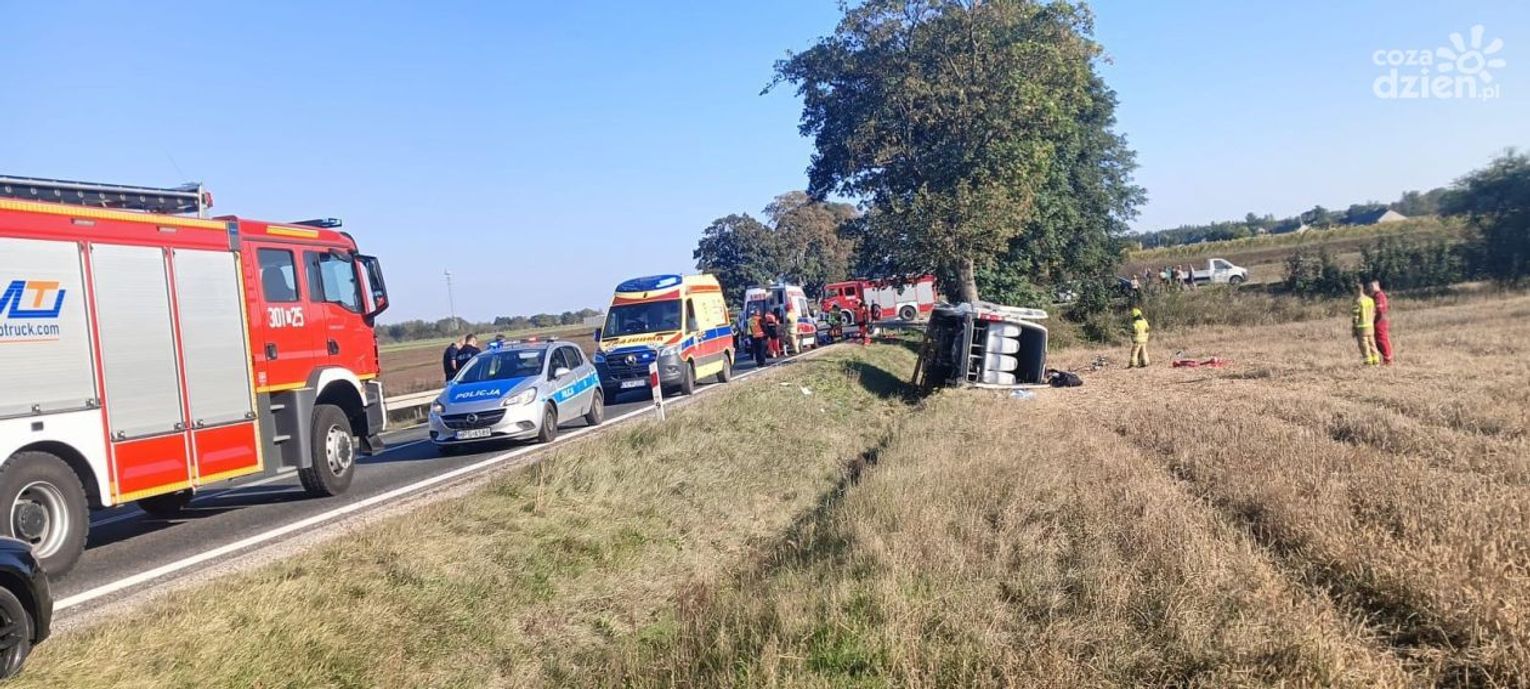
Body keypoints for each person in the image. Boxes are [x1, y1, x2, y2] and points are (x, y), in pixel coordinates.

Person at [1351, 283, 1379, 366]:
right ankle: (1376, 361)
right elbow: (1374, 312)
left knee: (1364, 345)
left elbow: (1355, 317)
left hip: (1361, 327)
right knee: (1372, 344)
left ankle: (1368, 362)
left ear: (1356, 290)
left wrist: (1354, 328)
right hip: (1370, 326)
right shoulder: (1370, 300)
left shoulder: (1357, 301)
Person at [1370, 279, 1393, 365]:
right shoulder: (1374, 296)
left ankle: (1388, 359)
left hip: (1380, 321)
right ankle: (1383, 358)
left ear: (1377, 286)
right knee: (1377, 340)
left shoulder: (1379, 296)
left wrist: (1374, 318)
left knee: (1382, 339)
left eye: (1372, 286)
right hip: (1378, 320)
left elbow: (1379, 310)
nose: (1371, 288)